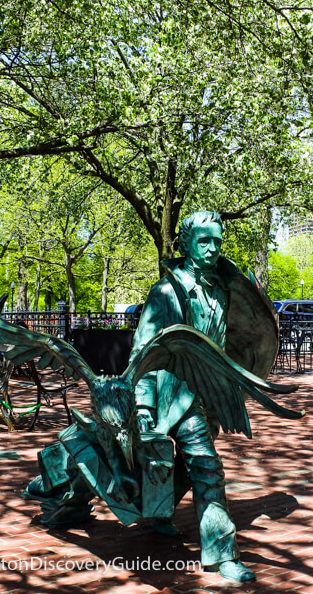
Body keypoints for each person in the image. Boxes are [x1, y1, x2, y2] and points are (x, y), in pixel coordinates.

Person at [126, 210, 259, 582]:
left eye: (217, 241)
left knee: (185, 466)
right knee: (207, 468)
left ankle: (157, 512)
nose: (213, 248)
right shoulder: (167, 291)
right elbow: (145, 350)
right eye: (204, 241)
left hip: (211, 393)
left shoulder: (221, 289)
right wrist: (142, 402)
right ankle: (221, 556)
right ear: (185, 243)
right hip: (176, 392)